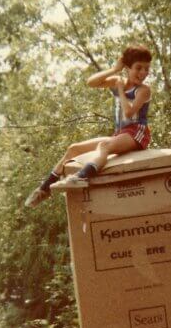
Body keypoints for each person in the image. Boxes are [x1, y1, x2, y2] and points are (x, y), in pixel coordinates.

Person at [25, 45, 152, 208]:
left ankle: (81, 177)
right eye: (138, 68)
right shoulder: (117, 80)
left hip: (136, 134)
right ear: (127, 67)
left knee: (104, 146)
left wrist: (120, 89)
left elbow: (128, 113)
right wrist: (114, 70)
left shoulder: (143, 90)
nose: (143, 73)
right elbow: (91, 82)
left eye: (146, 69)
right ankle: (44, 189)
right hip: (120, 133)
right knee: (73, 149)